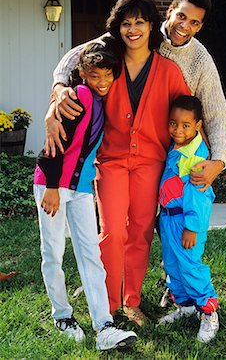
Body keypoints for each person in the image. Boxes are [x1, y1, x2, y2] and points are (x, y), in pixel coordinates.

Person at [46, 0, 226, 191]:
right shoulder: (137, 32)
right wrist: (58, 87)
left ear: (200, 27)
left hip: (173, 152)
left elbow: (217, 114)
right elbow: (77, 56)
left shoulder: (200, 60)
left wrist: (219, 161)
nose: (184, 26)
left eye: (194, 22)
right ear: (170, 10)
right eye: (181, 16)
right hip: (118, 152)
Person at [33, 41, 137, 351]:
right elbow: (50, 147)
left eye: (107, 76)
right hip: (52, 186)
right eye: (95, 76)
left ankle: (104, 325)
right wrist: (52, 187)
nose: (102, 82)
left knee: (91, 254)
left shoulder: (101, 100)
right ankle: (62, 315)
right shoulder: (78, 97)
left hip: (79, 191)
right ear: (82, 74)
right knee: (53, 253)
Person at [157, 95, 219, 343]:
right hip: (169, 220)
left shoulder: (196, 157)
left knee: (191, 267)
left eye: (185, 125)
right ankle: (186, 307)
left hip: (186, 223)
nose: (178, 130)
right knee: (172, 266)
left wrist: (192, 227)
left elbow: (199, 198)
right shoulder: (175, 147)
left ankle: (208, 312)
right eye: (173, 123)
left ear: (198, 126)